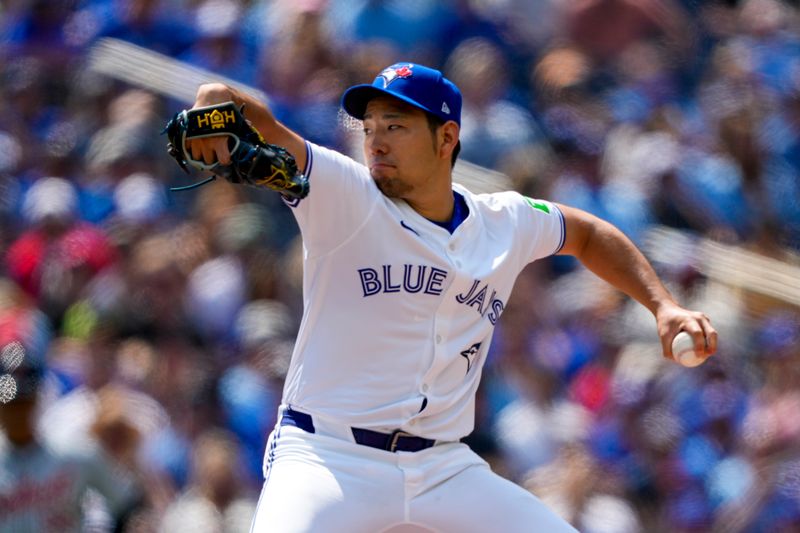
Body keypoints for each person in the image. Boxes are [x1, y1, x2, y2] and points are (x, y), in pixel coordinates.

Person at [183, 62, 718, 532]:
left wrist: (662, 305)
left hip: (443, 467)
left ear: (447, 138)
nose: (376, 141)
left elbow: (587, 233)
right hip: (327, 457)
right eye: (370, 127)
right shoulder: (344, 195)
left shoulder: (503, 222)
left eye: (396, 125)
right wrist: (213, 97)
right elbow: (266, 125)